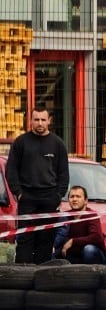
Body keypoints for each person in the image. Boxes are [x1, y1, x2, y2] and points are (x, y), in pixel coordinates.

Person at [6, 105, 69, 264]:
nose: (40, 123)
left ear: (49, 121)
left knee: (46, 240)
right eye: (36, 120)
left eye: (43, 119)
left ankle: (42, 275)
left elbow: (64, 174)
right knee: (25, 239)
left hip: (49, 198)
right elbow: (11, 170)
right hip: (27, 197)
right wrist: (18, 193)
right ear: (30, 121)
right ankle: (22, 275)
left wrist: (58, 196)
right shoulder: (21, 142)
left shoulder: (58, 144)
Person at [52, 185, 106, 264]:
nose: (74, 199)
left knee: (89, 250)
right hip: (73, 256)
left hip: (94, 256)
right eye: (72, 197)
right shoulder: (65, 216)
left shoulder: (91, 215)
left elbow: (96, 237)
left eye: (78, 196)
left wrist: (73, 241)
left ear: (85, 201)